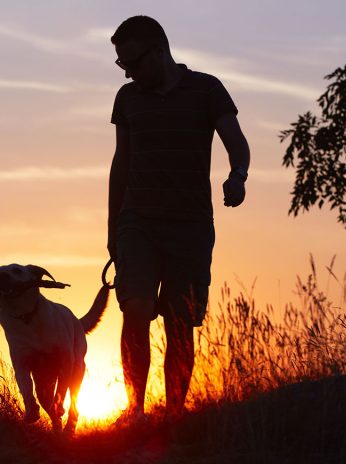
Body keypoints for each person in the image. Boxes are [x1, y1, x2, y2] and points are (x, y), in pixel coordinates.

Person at [107, 15, 250, 423]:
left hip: (189, 225)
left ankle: (174, 416)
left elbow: (237, 143)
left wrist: (237, 176)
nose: (129, 72)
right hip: (136, 223)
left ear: (159, 49)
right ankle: (134, 411)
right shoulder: (128, 98)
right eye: (122, 65)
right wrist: (112, 229)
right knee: (134, 308)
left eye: (132, 62)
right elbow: (122, 162)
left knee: (179, 320)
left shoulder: (207, 89)